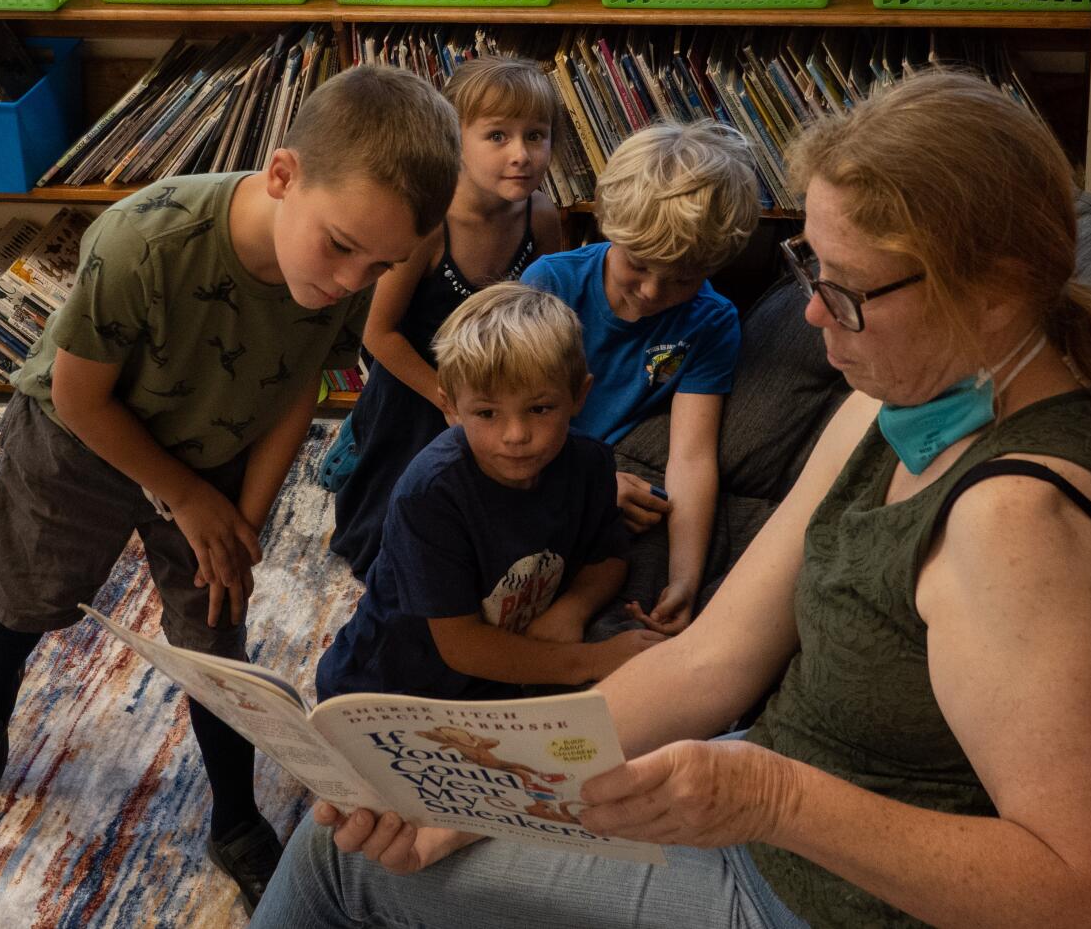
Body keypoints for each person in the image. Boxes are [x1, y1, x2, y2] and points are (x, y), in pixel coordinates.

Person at [249, 70, 1091, 929]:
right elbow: (713, 659)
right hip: (773, 814)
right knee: (380, 833)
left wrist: (773, 799)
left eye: (851, 291)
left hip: (809, 894)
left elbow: (1085, 895)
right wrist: (484, 788)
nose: (817, 313)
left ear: (994, 292)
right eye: (810, 273)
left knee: (336, 870)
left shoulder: (1013, 529)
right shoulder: (902, 394)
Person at [0, 65, 460, 914]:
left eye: (380, 267)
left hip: (219, 452)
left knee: (218, 643)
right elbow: (77, 396)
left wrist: (241, 524)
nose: (349, 282)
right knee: (31, 597)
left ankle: (234, 816)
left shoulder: (338, 276)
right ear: (283, 175)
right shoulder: (145, 240)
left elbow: (299, 389)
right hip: (79, 446)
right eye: (339, 246)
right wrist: (184, 497)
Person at [316, 284, 659, 702]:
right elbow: (463, 645)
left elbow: (607, 557)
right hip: (388, 688)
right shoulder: (429, 494)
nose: (516, 436)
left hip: (496, 687)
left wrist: (573, 609)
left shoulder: (591, 464)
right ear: (451, 407)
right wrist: (587, 660)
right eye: (486, 413)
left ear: (579, 396)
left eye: (540, 409)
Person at [328, 57, 567, 576]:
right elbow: (378, 334)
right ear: (455, 140)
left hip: (502, 386)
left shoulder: (542, 216)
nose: (522, 154)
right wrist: (448, 398)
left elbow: (551, 312)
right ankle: (360, 448)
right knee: (405, 524)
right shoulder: (427, 226)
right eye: (497, 136)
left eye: (537, 135)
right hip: (419, 387)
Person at [521, 121, 759, 637]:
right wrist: (586, 485)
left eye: (682, 278)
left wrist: (685, 579)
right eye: (639, 265)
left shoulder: (712, 321)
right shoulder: (550, 284)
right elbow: (506, 420)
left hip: (604, 500)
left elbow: (692, 456)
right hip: (531, 466)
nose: (652, 292)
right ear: (609, 226)